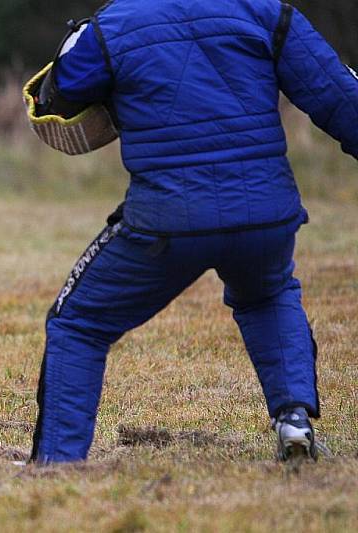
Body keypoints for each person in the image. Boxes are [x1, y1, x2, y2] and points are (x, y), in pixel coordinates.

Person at [29, 0, 358, 464]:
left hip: (168, 221)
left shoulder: (113, 24)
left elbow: (59, 95)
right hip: (264, 213)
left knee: (78, 322)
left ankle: (57, 465)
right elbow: (340, 97)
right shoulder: (266, 12)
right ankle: (293, 419)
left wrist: (85, 45)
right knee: (267, 294)